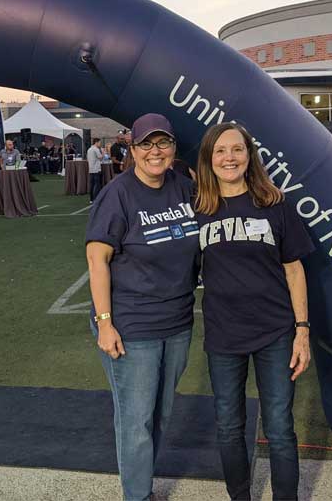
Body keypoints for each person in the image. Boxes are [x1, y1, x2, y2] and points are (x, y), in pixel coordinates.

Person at [194, 122, 313, 501]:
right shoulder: (199, 208)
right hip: (224, 334)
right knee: (229, 426)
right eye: (221, 151)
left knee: (279, 427)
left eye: (237, 150)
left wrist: (302, 331)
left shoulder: (274, 204)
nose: (229, 158)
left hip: (275, 333)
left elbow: (294, 270)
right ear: (209, 159)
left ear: (249, 155)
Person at [85, 113, 199, 501]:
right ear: (131, 150)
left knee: (160, 415)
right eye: (146, 144)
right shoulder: (118, 194)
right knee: (136, 420)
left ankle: (143, 483)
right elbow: (97, 260)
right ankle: (138, 495)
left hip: (178, 322)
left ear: (173, 149)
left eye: (162, 143)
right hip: (132, 325)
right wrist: (104, 323)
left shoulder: (185, 188)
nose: (155, 151)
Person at [86, 137, 104, 203]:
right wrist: (103, 152)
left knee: (92, 184)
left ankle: (91, 199)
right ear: (96, 142)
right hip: (96, 169)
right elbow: (101, 158)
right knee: (97, 184)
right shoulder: (96, 149)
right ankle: (95, 198)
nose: (100, 144)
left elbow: (87, 159)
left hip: (91, 169)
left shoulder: (89, 149)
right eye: (99, 142)